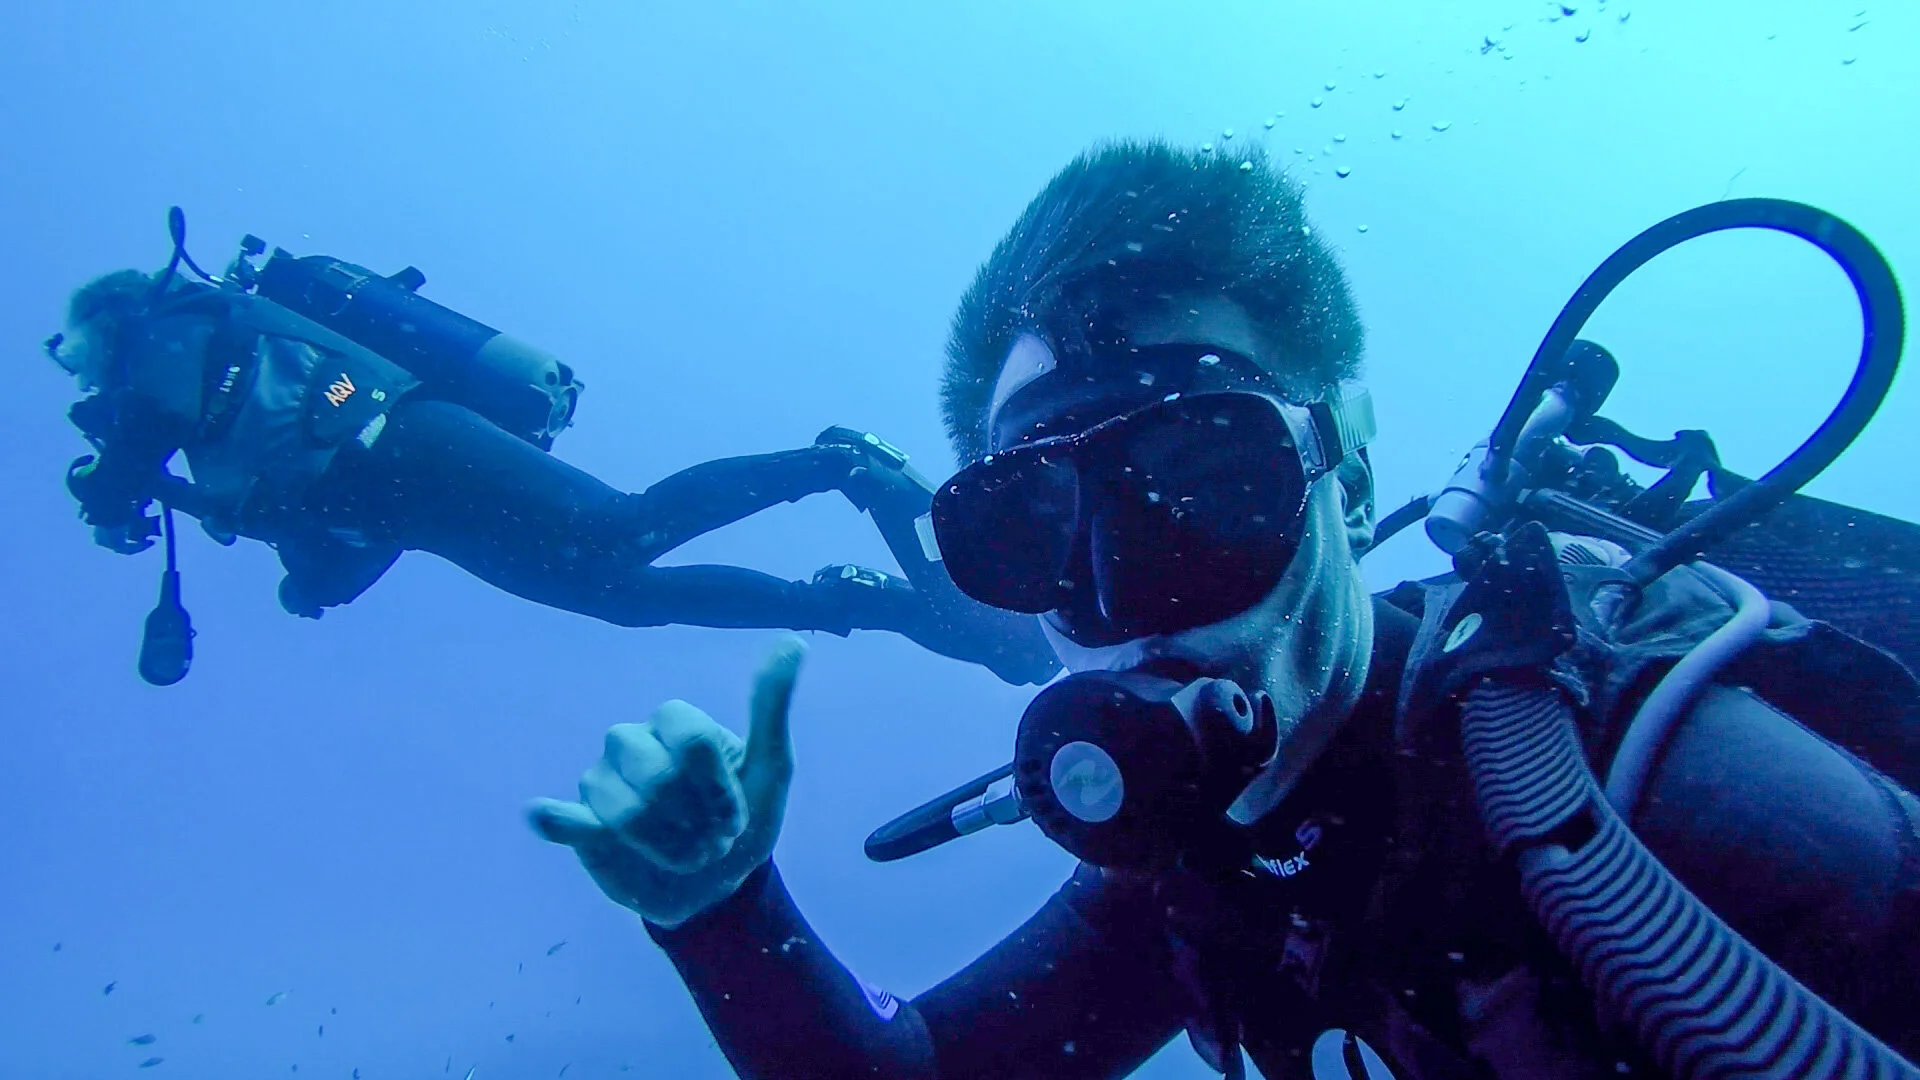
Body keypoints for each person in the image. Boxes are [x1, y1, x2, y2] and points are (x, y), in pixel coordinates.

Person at [528, 141, 1920, 1078]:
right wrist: (720, 911)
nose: (1121, 604)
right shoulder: (1199, 873)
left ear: (1347, 479)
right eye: (1030, 533)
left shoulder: (1650, 795)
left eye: (1206, 487)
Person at [49, 265, 1058, 685]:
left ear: (112, 320)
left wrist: (107, 489)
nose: (79, 369)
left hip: (415, 440)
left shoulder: (170, 329)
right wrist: (311, 581)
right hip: (412, 505)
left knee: (619, 530)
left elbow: (147, 421)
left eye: (75, 347)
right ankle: (855, 605)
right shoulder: (201, 442)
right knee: (618, 595)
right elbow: (324, 534)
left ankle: (838, 464)